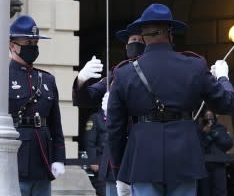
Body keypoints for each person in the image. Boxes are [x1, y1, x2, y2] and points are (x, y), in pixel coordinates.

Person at [107, 3, 234, 196]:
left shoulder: (124, 73)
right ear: (170, 33)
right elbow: (227, 103)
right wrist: (223, 78)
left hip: (143, 158)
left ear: (143, 35)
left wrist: (119, 172)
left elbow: (114, 128)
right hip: (184, 157)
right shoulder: (194, 66)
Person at [74, 26, 146, 196]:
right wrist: (81, 80)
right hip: (115, 154)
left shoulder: (152, 72)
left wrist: (116, 107)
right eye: (132, 41)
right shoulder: (115, 74)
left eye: (140, 40)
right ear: (125, 46)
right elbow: (85, 98)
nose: (135, 44)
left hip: (141, 151)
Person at [8, 14, 66, 196]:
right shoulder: (3, 77)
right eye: (28, 44)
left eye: (35, 44)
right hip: (14, 163)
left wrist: (58, 158)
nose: (33, 48)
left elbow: (55, 124)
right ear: (12, 46)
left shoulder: (47, 80)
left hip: (42, 163)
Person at [197, 109, 234, 196]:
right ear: (202, 118)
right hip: (204, 166)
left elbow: (228, 144)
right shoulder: (199, 130)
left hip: (218, 165)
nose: (209, 119)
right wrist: (206, 135)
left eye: (211, 116)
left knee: (220, 191)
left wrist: (214, 134)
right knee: (204, 191)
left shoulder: (221, 128)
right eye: (206, 117)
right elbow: (200, 146)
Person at [83, 92, 109, 196]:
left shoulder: (118, 117)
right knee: (103, 191)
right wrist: (93, 161)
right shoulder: (95, 118)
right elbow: (89, 141)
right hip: (101, 160)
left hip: (113, 161)